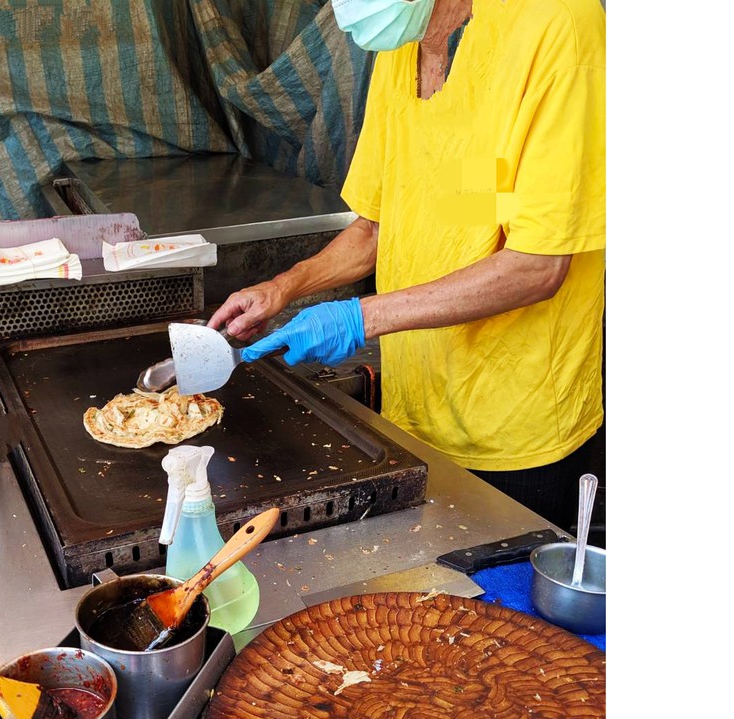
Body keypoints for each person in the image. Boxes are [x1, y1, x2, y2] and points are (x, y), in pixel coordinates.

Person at [207, 0, 605, 531]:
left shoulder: (559, 26)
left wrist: (358, 318)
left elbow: (537, 265)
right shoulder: (402, 46)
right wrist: (283, 288)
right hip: (413, 420)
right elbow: (379, 225)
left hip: (516, 436)